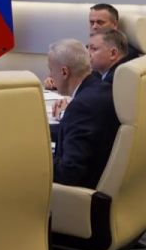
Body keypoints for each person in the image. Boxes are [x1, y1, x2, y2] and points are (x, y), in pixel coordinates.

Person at [47, 39, 119, 188]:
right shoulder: (103, 89)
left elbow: (69, 172)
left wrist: (33, 161)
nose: (50, 76)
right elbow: (72, 129)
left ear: (64, 72)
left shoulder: (81, 106)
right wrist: (39, 132)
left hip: (81, 190)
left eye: (51, 70)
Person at [44, 3, 143, 90]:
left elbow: (97, 82)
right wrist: (56, 79)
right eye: (92, 22)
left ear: (114, 24)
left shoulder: (125, 52)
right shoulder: (87, 48)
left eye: (100, 22)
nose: (94, 26)